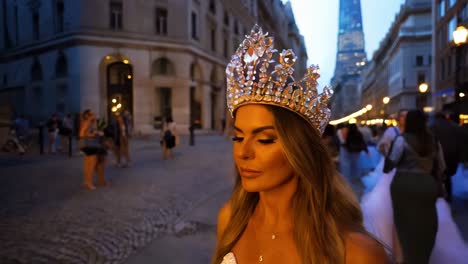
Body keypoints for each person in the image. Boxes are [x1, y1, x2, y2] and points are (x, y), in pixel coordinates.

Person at [212, 25, 388, 264]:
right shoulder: (230, 220)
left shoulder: (356, 253)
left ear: (300, 149)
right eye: (238, 137)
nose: (243, 152)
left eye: (264, 139)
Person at [78, 109, 108, 190]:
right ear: (88, 116)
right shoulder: (87, 122)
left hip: (87, 146)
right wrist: (95, 134)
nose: (94, 115)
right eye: (92, 114)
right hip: (90, 146)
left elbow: (84, 132)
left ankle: (86, 181)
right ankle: (89, 183)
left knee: (87, 164)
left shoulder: (87, 122)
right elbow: (81, 133)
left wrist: (95, 132)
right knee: (91, 165)